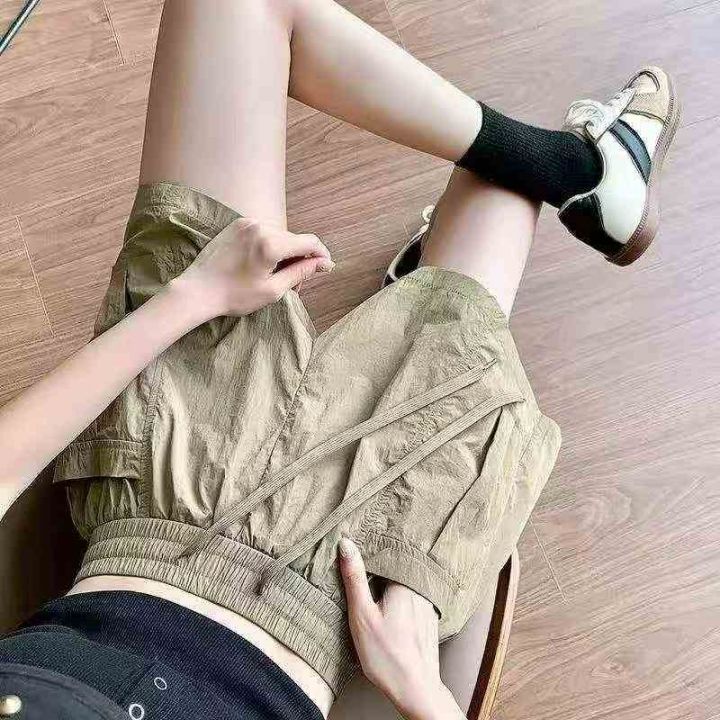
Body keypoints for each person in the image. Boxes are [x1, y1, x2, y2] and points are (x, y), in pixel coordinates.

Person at [0, 0, 679, 718]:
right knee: (498, 195)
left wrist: (191, 297)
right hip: (333, 597)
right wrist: (422, 693)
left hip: (151, 502)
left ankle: (574, 172)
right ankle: (559, 191)